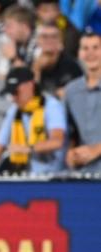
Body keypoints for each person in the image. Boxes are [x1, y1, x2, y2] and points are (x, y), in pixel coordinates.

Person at [0, 66, 66, 178]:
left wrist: (28, 148)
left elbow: (57, 141)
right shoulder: (15, 110)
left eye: (16, 92)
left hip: (54, 177)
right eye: (11, 94)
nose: (13, 98)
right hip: (28, 176)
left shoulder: (51, 106)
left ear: (30, 85)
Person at [64, 32, 101, 172]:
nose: (90, 53)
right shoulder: (71, 91)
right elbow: (71, 132)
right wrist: (71, 153)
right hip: (84, 173)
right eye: (85, 48)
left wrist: (97, 149)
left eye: (96, 47)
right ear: (79, 54)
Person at [32, 21, 83, 98]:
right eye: (44, 36)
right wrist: (36, 70)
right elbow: (30, 95)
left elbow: (79, 92)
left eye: (54, 36)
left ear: (61, 40)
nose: (49, 40)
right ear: (38, 40)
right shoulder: (32, 63)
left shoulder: (72, 65)